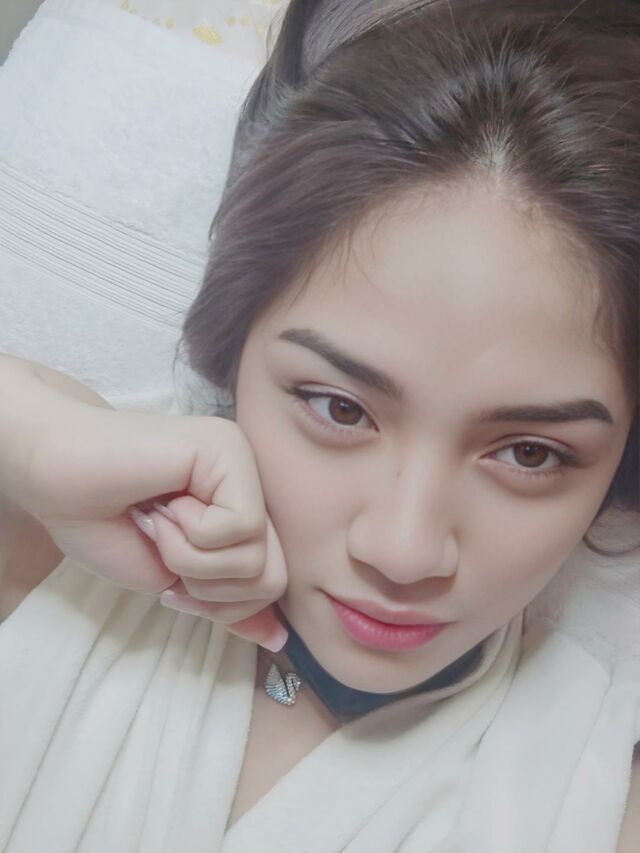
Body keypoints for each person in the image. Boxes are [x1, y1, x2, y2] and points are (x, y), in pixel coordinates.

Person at [1, 0, 639, 850]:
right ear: (235, 349)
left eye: (530, 452)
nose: (403, 551)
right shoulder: (41, 563)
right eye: (340, 407)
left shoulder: (596, 806)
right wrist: (34, 441)